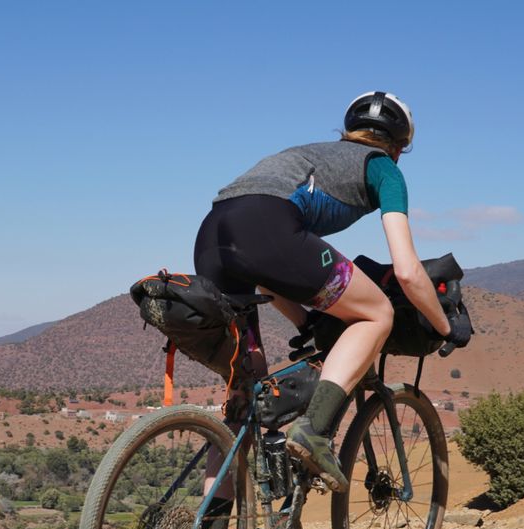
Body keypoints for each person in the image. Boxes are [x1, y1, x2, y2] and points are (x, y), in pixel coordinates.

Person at [194, 91, 471, 504]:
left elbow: (269, 276)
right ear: (399, 146)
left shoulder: (311, 155)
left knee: (243, 398)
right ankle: (314, 431)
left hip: (212, 235)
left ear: (349, 131)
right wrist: (447, 328)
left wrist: (306, 323)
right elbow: (409, 272)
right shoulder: (383, 169)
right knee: (376, 312)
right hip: (267, 230)